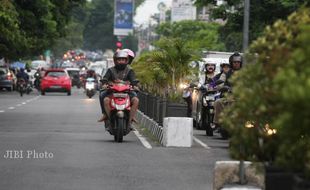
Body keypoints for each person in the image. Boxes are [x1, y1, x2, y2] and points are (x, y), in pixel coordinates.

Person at [98, 50, 139, 125]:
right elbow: (105, 79)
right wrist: (104, 84)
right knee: (103, 97)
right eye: (119, 59)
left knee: (136, 99)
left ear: (126, 60)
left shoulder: (130, 70)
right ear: (115, 60)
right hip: (112, 91)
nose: (121, 61)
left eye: (123, 59)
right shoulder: (110, 70)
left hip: (127, 91)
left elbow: (133, 80)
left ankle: (131, 118)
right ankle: (105, 114)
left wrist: (135, 86)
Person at [213, 52, 243, 131]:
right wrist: (218, 86)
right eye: (235, 62)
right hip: (229, 96)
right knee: (218, 102)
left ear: (241, 63)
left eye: (238, 62)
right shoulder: (227, 73)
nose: (236, 64)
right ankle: (217, 123)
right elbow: (221, 81)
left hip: (242, 97)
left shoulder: (245, 73)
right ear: (231, 63)